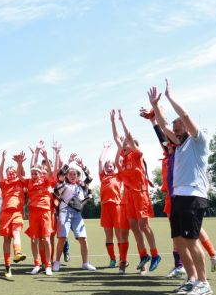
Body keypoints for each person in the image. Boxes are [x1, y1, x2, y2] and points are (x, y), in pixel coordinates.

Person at [149, 79, 213, 295]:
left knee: (191, 240)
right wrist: (156, 106)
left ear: (188, 128)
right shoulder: (179, 144)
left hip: (193, 196)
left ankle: (204, 283)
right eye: (175, 130)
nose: (175, 132)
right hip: (178, 197)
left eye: (179, 129)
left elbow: (184, 116)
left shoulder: (198, 141)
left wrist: (169, 97)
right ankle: (191, 279)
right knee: (179, 241)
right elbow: (164, 124)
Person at [113, 109, 161, 273]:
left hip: (140, 193)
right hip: (130, 196)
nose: (124, 145)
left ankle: (155, 254)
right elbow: (116, 140)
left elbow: (129, 136)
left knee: (144, 225)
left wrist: (122, 120)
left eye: (127, 143)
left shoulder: (138, 156)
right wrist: (113, 122)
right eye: (124, 144)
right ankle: (143, 255)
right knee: (134, 226)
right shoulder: (125, 160)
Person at [51, 155, 96, 272]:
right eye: (70, 174)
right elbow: (60, 175)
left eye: (74, 174)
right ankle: (57, 262)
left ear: (77, 176)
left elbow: (90, 178)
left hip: (77, 214)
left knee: (83, 238)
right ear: (67, 176)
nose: (72, 176)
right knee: (62, 237)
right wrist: (68, 162)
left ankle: (85, 263)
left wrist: (83, 167)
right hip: (64, 212)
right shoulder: (63, 185)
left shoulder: (81, 186)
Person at [15, 149, 54, 276]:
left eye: (36, 172)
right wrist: (19, 163)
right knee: (33, 240)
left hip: (45, 213)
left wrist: (46, 157)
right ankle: (37, 264)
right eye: (32, 173)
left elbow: (51, 172)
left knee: (46, 239)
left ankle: (48, 265)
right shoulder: (29, 181)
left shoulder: (45, 180)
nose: (33, 175)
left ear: (40, 173)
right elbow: (19, 176)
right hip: (33, 213)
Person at [98, 141, 129, 271]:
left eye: (111, 166)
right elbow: (100, 161)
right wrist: (105, 148)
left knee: (120, 236)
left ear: (114, 167)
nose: (109, 168)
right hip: (105, 207)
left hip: (117, 207)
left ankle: (123, 259)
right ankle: (112, 259)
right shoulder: (102, 177)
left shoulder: (118, 176)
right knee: (108, 235)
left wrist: (119, 147)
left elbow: (119, 162)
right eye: (107, 167)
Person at [0, 150, 27, 278]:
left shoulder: (21, 182)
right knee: (6, 240)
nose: (10, 174)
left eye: (13, 173)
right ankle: (8, 267)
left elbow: (22, 173)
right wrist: (3, 160)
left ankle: (18, 253)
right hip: (5, 215)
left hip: (17, 213)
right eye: (8, 173)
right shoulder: (4, 184)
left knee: (16, 233)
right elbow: (0, 174)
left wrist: (19, 163)